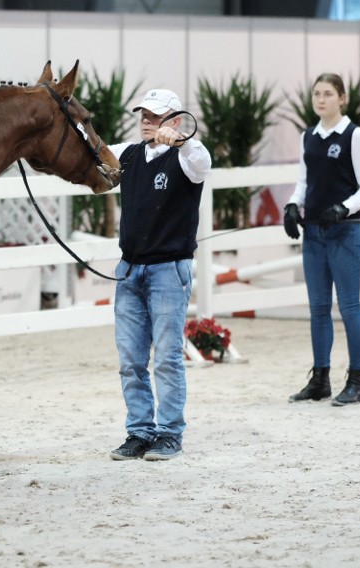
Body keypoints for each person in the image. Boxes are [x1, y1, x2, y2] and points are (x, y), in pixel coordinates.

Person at [106, 89, 212, 461]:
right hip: (130, 270)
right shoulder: (129, 154)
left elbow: (201, 161)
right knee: (131, 360)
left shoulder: (187, 157)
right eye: (144, 115)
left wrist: (181, 141)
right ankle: (139, 431)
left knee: (166, 357)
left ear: (176, 120)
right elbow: (93, 152)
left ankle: (169, 433)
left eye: (156, 116)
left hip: (169, 270)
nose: (147, 121)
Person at [283, 72, 360, 406]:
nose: (321, 99)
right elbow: (304, 181)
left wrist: (343, 208)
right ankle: (320, 379)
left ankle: (356, 380)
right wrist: (293, 206)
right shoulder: (309, 135)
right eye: (316, 94)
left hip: (344, 232)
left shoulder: (355, 136)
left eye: (327, 94)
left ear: (341, 98)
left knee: (349, 306)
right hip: (314, 235)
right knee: (318, 308)